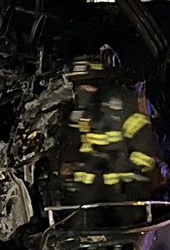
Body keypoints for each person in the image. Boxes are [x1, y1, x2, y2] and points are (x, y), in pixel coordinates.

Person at [60, 56, 160, 217]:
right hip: (89, 196)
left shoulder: (120, 105)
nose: (84, 90)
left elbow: (145, 145)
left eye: (89, 84)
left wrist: (126, 165)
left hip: (125, 193)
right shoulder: (78, 113)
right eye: (79, 85)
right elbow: (74, 146)